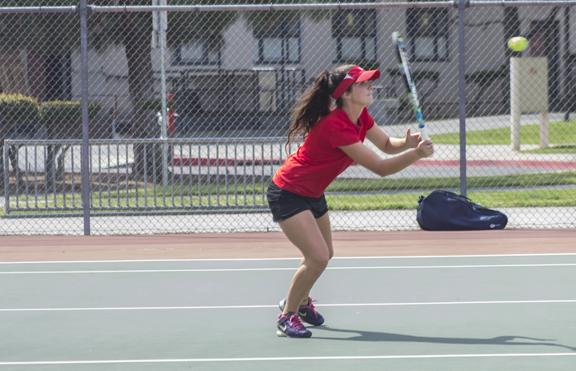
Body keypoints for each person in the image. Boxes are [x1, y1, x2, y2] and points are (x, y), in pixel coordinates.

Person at [267, 65, 434, 338]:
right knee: (317, 257)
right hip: (288, 192)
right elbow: (380, 167)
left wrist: (405, 144)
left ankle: (302, 301)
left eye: (370, 83)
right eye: (364, 84)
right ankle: (287, 315)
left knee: (324, 254)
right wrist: (416, 155)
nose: (371, 87)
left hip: (312, 192)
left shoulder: (361, 116)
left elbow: (386, 145)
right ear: (346, 93)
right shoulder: (336, 126)